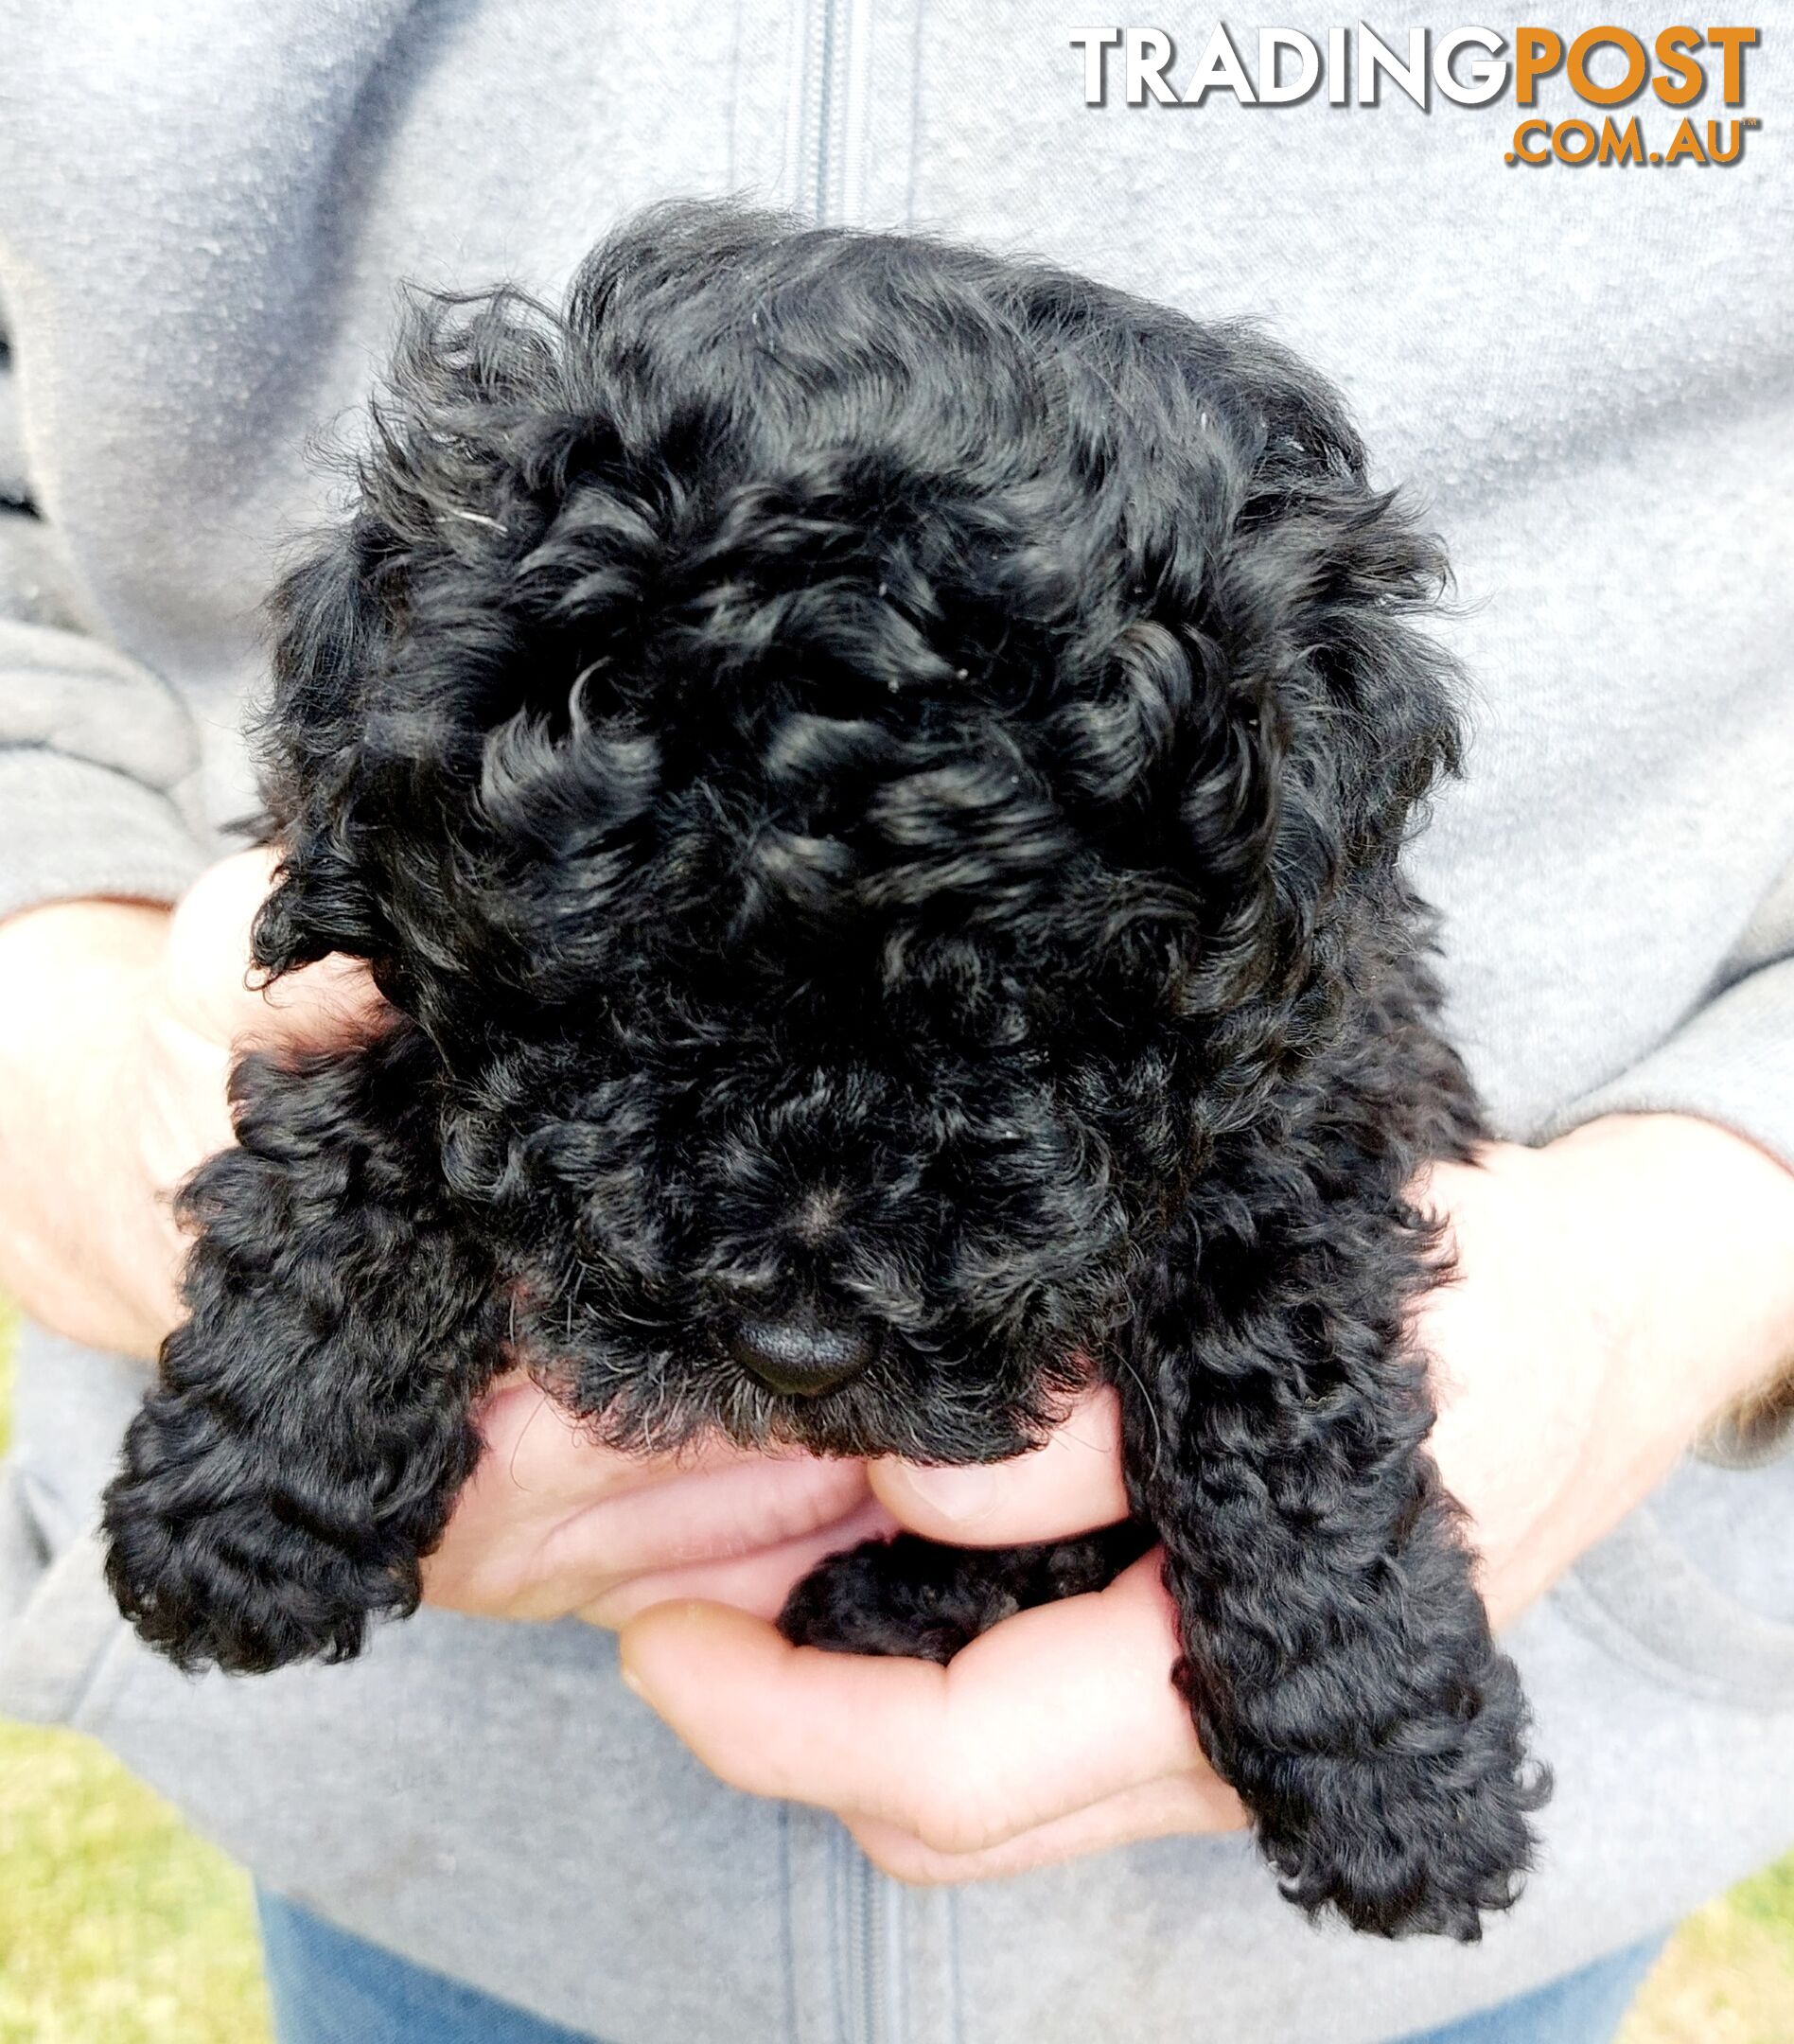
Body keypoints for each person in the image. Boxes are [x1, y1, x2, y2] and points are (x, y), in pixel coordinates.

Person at [1, 7, 1790, 2041]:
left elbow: (1293, 1208)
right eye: (660, 1016)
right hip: (480, 1868)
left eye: (1007, 1044)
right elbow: (376, 1048)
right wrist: (77, 1085)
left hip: (1269, 1930)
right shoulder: (500, 717)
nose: (805, 1294)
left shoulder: (1252, 867)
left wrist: (1394, 1591)